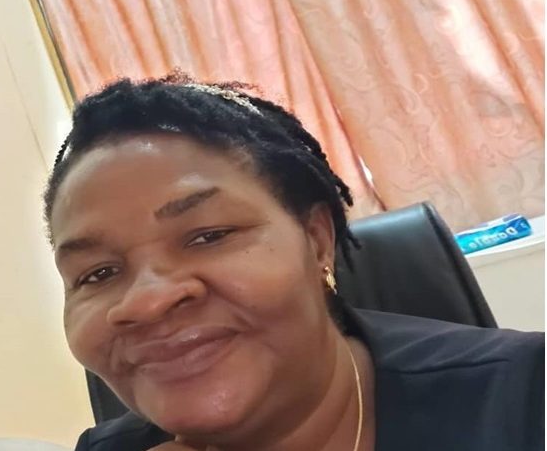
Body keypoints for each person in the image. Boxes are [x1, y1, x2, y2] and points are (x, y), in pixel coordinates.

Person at [44, 73, 544, 451]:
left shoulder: (525, 400)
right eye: (97, 273)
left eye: (209, 236)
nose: (148, 301)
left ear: (317, 239)